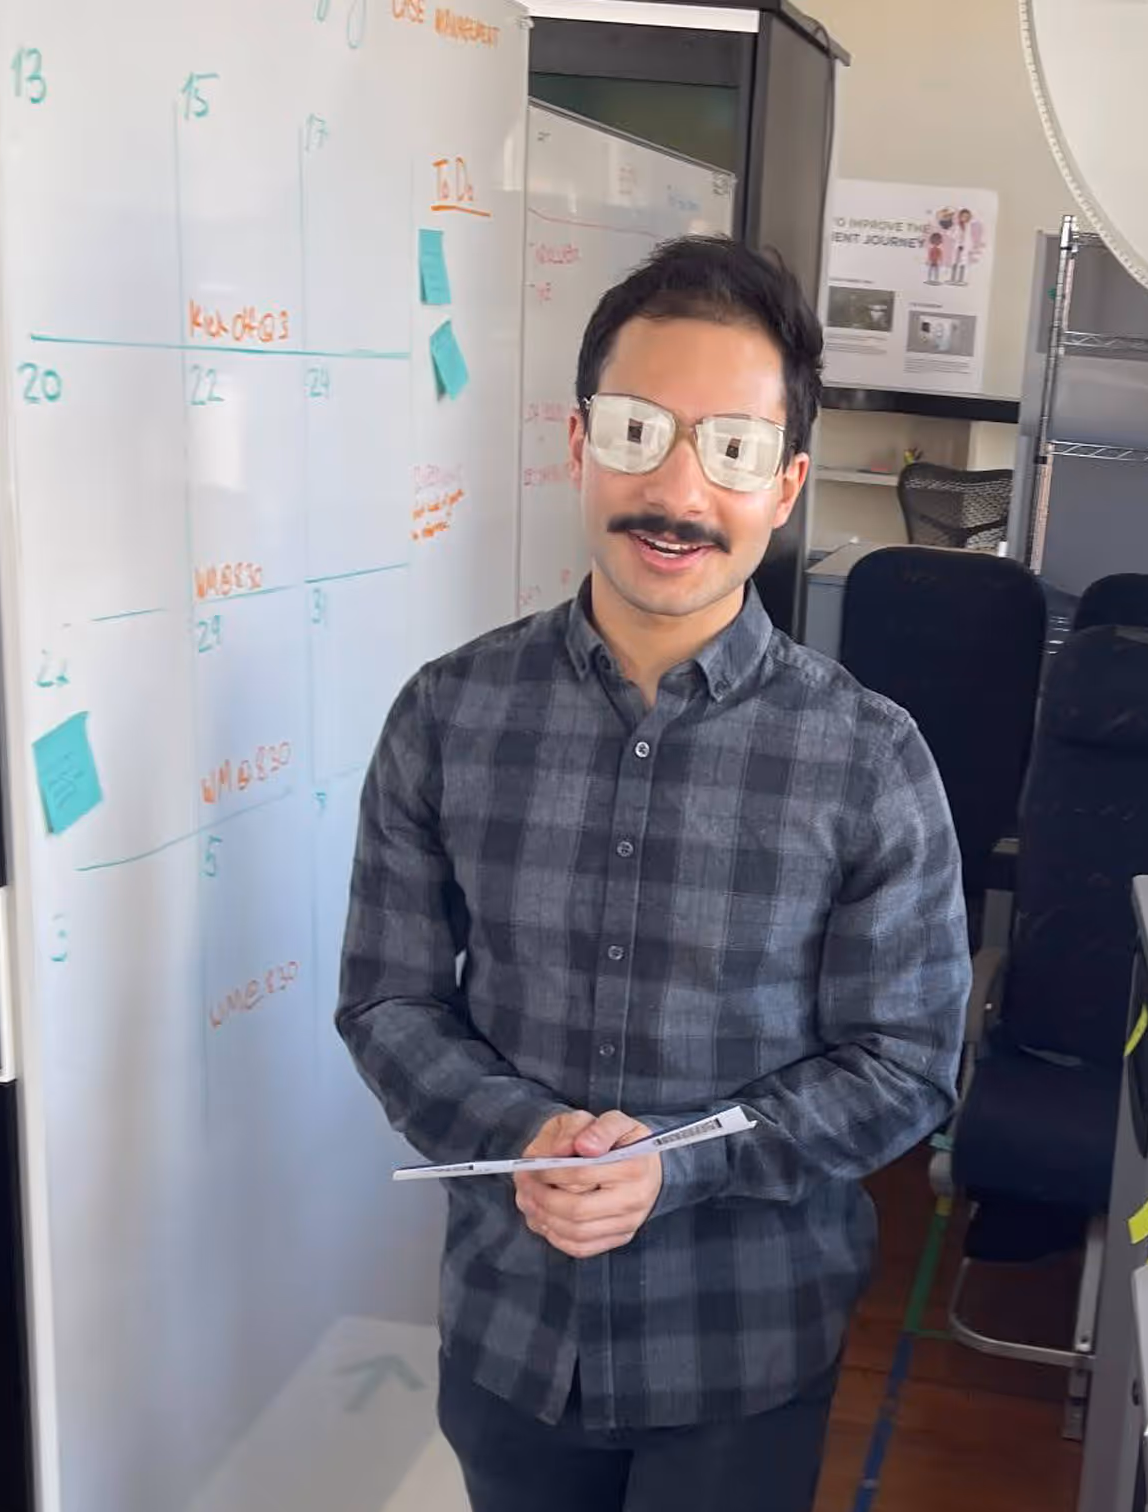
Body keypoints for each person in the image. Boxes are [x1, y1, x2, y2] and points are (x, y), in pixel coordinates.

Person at [336, 236, 970, 1512]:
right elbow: (388, 1003)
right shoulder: (446, 717)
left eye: (731, 450)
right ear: (578, 444)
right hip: (512, 1331)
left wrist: (680, 1162)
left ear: (785, 486)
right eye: (637, 431)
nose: (677, 489)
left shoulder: (868, 759)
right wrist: (524, 1133)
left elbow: (908, 1066)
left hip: (742, 1345)